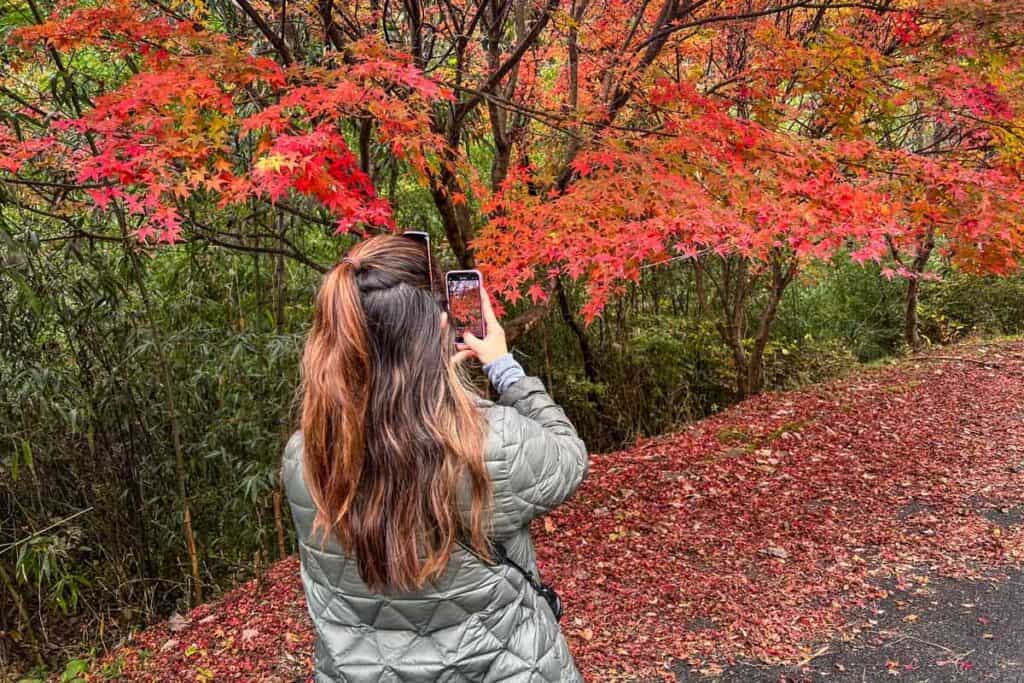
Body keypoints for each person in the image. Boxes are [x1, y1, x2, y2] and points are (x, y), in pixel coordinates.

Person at [282, 234, 590, 682]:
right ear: (437, 329)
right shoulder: (488, 444)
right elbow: (569, 456)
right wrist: (503, 367)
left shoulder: (307, 458)